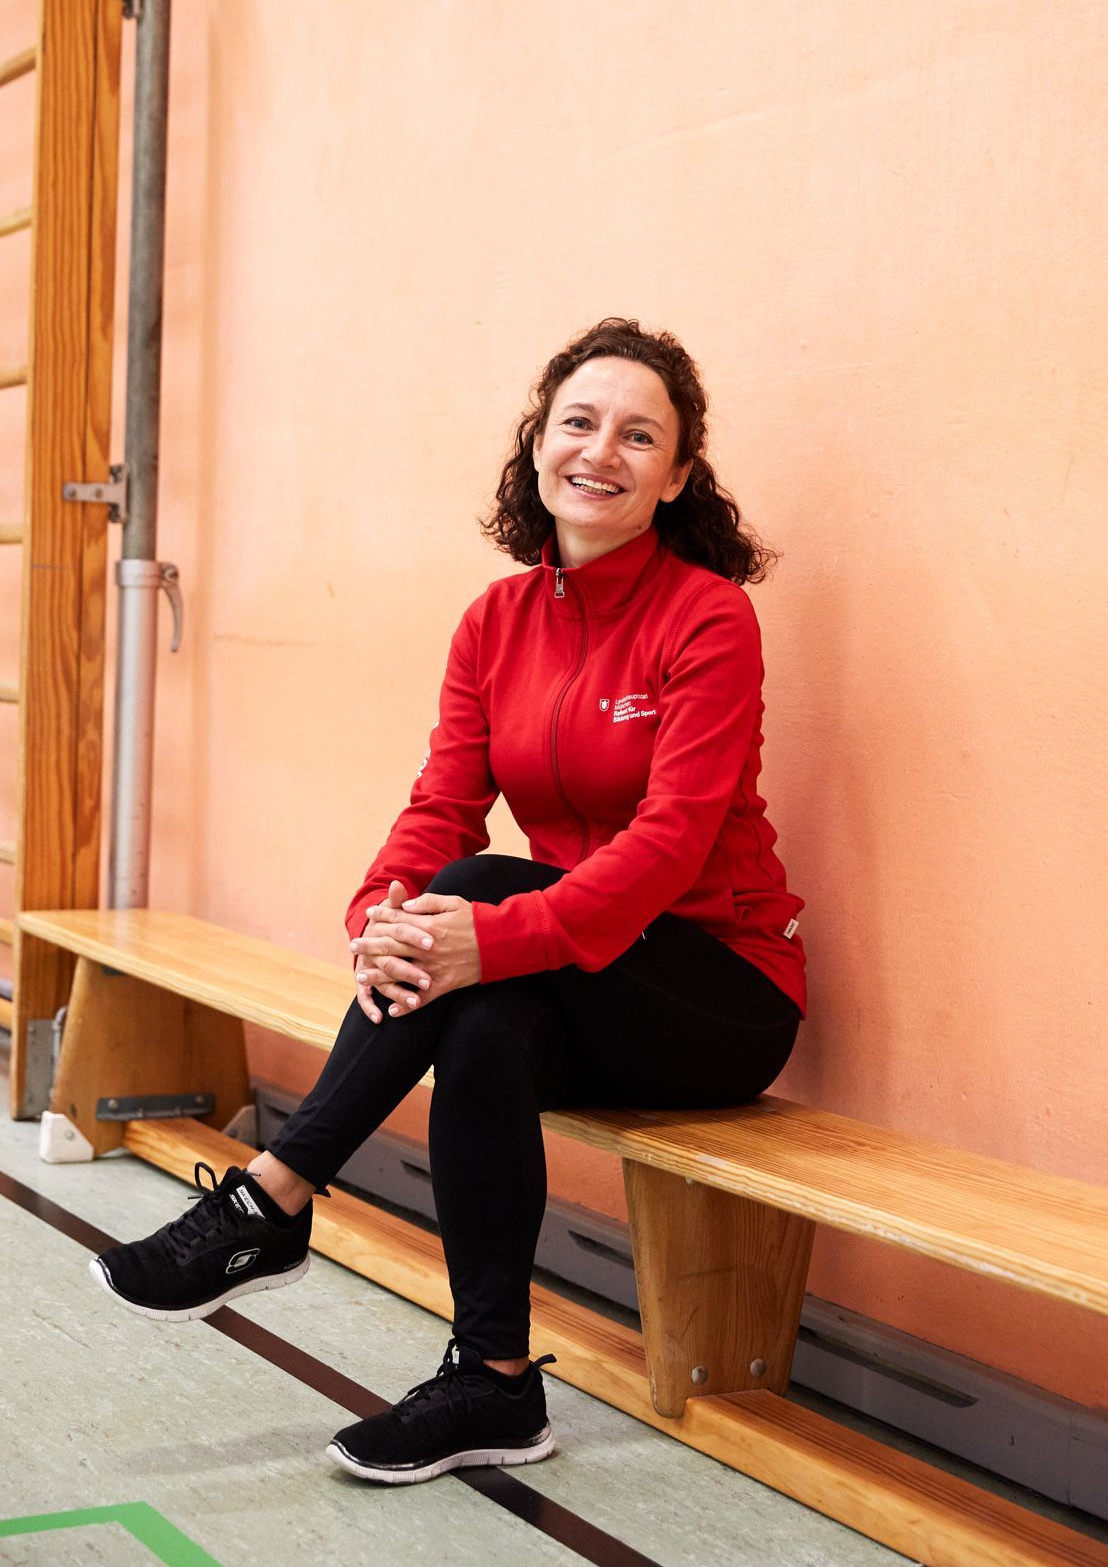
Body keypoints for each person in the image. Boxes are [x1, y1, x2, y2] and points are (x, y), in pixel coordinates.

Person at [90, 317, 806, 1485]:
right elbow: (441, 803)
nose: (601, 450)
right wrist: (382, 910)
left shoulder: (707, 618)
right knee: (480, 1018)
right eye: (579, 421)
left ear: (677, 476)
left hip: (713, 988)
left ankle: (274, 1193)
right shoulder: (496, 620)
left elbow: (671, 847)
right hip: (569, 969)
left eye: (640, 434)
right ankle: (494, 1380)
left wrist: (487, 929)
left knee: (475, 901)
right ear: (539, 445)